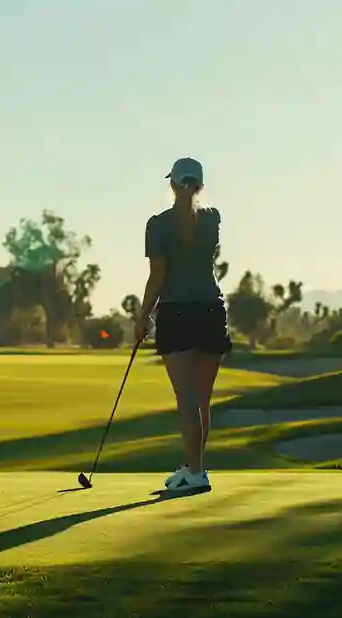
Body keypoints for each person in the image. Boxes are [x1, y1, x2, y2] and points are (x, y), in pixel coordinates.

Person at [133, 157, 232, 493]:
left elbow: (158, 276)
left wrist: (142, 316)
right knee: (202, 401)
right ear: (199, 185)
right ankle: (196, 469)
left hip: (177, 314)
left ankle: (195, 471)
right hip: (211, 311)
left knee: (186, 401)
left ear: (172, 185)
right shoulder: (213, 219)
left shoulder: (157, 225)